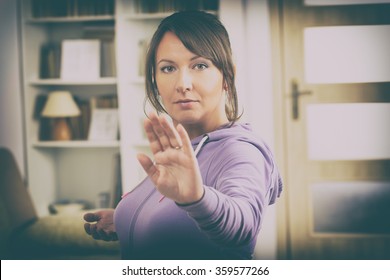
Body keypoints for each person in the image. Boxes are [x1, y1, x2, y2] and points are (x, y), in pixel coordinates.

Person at [84, 10, 282, 260]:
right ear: (155, 80)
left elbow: (242, 225)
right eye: (168, 68)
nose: (183, 83)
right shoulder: (182, 147)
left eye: (199, 65)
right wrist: (127, 218)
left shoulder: (240, 150)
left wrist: (197, 198)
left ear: (227, 75)